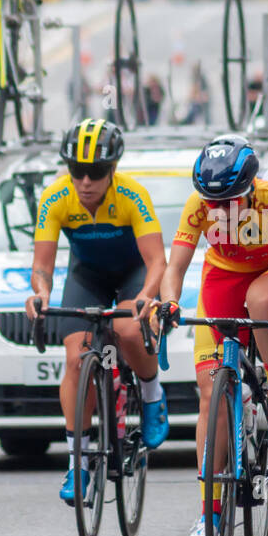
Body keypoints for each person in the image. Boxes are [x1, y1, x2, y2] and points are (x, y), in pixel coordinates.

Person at [155, 134, 268, 536]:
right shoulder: (198, 205)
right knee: (210, 394)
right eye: (211, 202)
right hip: (221, 278)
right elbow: (176, 267)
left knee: (262, 299)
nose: (218, 210)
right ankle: (210, 511)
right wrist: (169, 302)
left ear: (250, 189)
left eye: (228, 201)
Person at [25, 118, 169, 505]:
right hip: (87, 277)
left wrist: (147, 296)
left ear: (113, 170)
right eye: (77, 171)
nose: (85, 181)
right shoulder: (56, 198)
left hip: (133, 274)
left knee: (126, 330)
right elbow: (43, 266)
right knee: (75, 360)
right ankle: (79, 461)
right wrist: (40, 293)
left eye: (96, 172)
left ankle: (152, 392)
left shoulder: (131, 195)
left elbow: (157, 261)